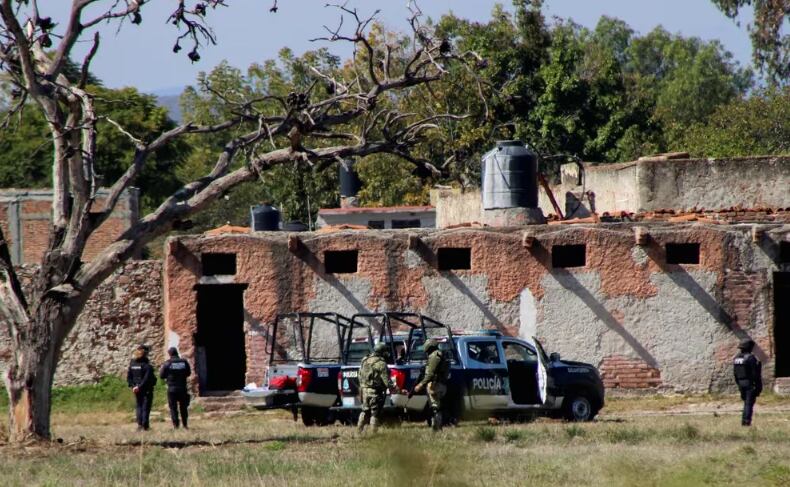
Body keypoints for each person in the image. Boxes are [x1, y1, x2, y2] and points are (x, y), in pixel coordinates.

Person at [357, 342, 396, 433]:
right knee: (375, 413)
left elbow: (359, 374)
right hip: (374, 391)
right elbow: (387, 382)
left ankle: (359, 431)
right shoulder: (381, 363)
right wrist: (394, 387)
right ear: (382, 352)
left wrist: (363, 386)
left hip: (363, 390)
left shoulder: (365, 359)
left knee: (364, 411)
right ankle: (374, 433)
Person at [413, 338, 451, 431]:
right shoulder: (439, 354)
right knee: (436, 406)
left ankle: (437, 427)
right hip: (440, 383)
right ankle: (437, 426)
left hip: (435, 384)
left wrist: (421, 384)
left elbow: (430, 374)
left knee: (435, 407)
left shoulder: (434, 356)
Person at [160, 347, 192, 429]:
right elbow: (188, 373)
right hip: (182, 388)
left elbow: (161, 375)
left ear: (170, 354)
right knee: (183, 407)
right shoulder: (184, 362)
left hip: (172, 389)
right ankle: (185, 425)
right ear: (177, 353)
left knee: (173, 408)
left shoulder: (167, 363)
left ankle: (176, 425)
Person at [127, 344, 156, 431]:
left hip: (136, 388)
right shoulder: (147, 366)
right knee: (145, 407)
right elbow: (147, 379)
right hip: (145, 389)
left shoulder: (132, 364)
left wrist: (134, 386)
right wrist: (140, 386)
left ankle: (139, 425)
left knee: (139, 406)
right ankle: (145, 426)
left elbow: (129, 377)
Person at [733, 338, 762, 426]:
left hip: (741, 383)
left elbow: (735, 373)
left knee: (746, 403)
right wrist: (758, 385)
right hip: (749, 383)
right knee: (749, 404)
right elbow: (755, 374)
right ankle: (746, 422)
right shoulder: (750, 358)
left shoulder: (736, 358)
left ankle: (744, 421)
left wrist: (738, 384)